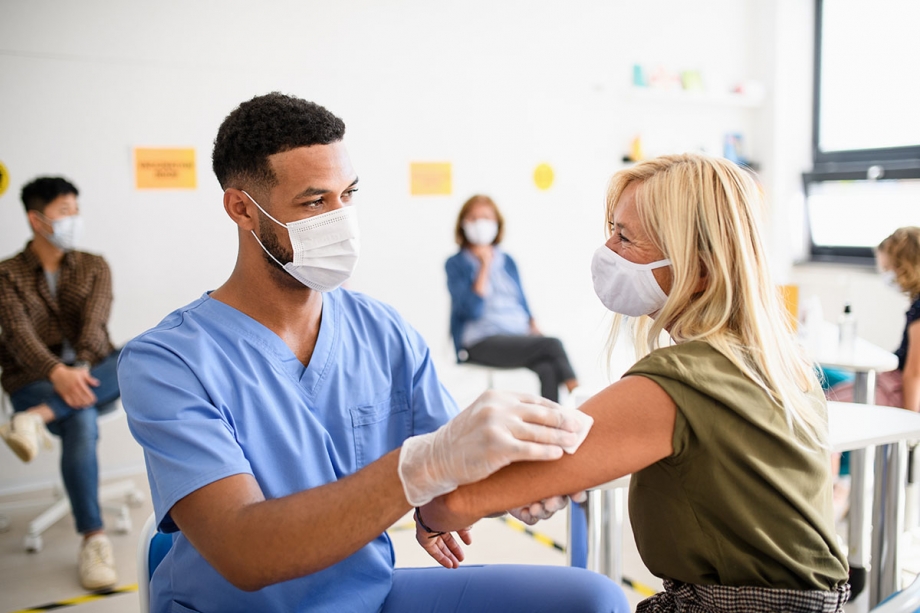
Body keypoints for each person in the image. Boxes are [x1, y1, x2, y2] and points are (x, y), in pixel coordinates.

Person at [116, 92, 626, 613]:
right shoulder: (166, 362)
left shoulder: (381, 331)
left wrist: (522, 481)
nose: (340, 219)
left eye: (348, 194)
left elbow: (447, 493)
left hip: (368, 597)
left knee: (594, 599)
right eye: (315, 202)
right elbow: (245, 552)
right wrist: (419, 469)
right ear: (242, 209)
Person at [421, 153, 851, 613]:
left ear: (699, 268)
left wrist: (430, 514)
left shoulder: (680, 382)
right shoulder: (783, 363)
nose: (607, 251)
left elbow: (462, 499)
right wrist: (554, 474)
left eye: (625, 237)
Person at [0, 176, 121, 590]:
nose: (75, 220)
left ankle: (34, 419)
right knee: (81, 419)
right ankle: (94, 539)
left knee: (137, 355)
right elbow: (17, 335)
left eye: (76, 210)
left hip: (94, 371)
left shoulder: (94, 264)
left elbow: (96, 322)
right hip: (32, 378)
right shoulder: (6, 274)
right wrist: (58, 373)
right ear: (37, 220)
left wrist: (80, 366)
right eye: (64, 212)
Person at [446, 195, 579, 402]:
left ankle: (551, 427)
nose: (480, 223)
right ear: (463, 224)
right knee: (552, 345)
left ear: (497, 223)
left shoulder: (507, 261)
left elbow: (521, 299)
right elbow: (472, 310)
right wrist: (484, 266)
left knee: (548, 367)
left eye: (486, 217)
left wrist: (532, 323)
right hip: (481, 342)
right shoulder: (456, 264)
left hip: (517, 335)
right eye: (473, 218)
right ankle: (582, 399)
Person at [828, 227, 920, 412]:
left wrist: (911, 428)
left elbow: (914, 374)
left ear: (904, 267)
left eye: (887, 268)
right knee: (821, 375)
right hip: (888, 380)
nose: (887, 275)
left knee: (822, 401)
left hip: (895, 389)